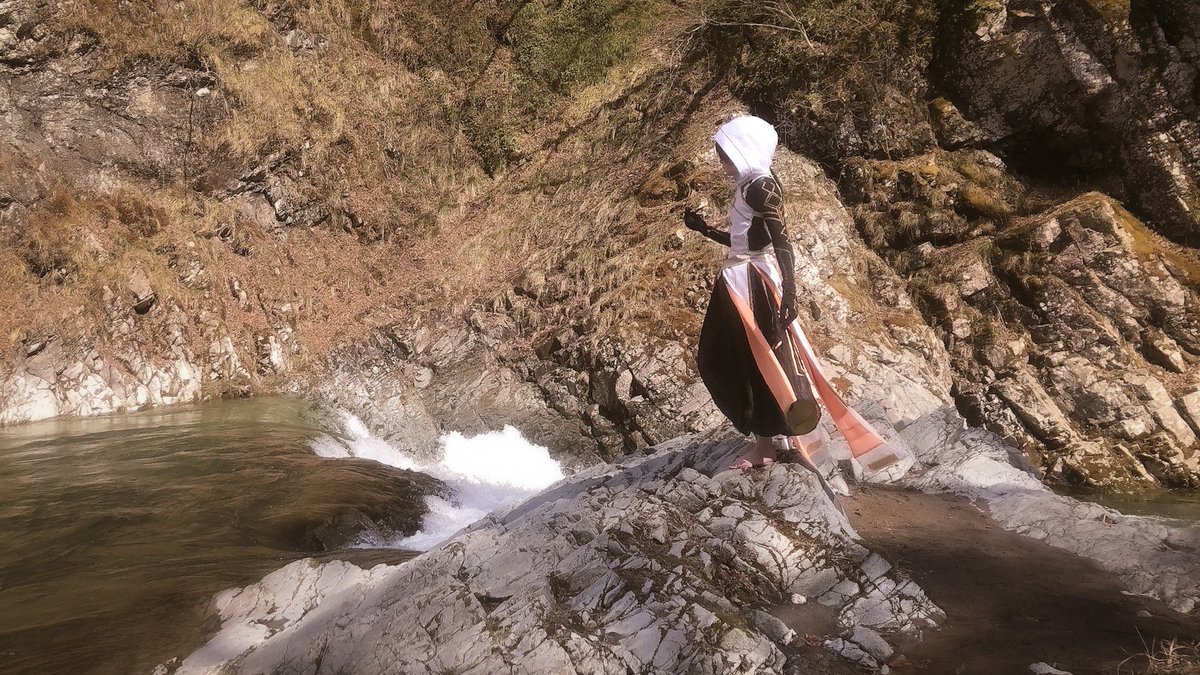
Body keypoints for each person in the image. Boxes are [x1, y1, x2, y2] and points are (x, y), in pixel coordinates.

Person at [684, 115, 913, 481]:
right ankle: (776, 438)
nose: (722, 160)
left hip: (751, 284)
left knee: (750, 361)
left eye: (726, 153)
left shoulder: (761, 186)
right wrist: (705, 230)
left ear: (745, 149)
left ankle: (767, 444)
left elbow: (781, 241)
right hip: (741, 278)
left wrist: (790, 292)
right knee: (748, 358)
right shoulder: (750, 185)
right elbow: (747, 241)